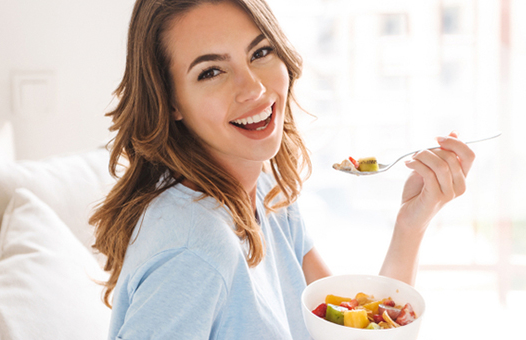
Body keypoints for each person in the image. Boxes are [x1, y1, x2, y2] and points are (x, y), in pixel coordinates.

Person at [89, 0, 475, 338]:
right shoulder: (196, 250)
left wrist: (411, 224)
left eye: (259, 52)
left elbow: (350, 330)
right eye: (211, 71)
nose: (254, 88)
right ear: (170, 101)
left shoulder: (265, 191)